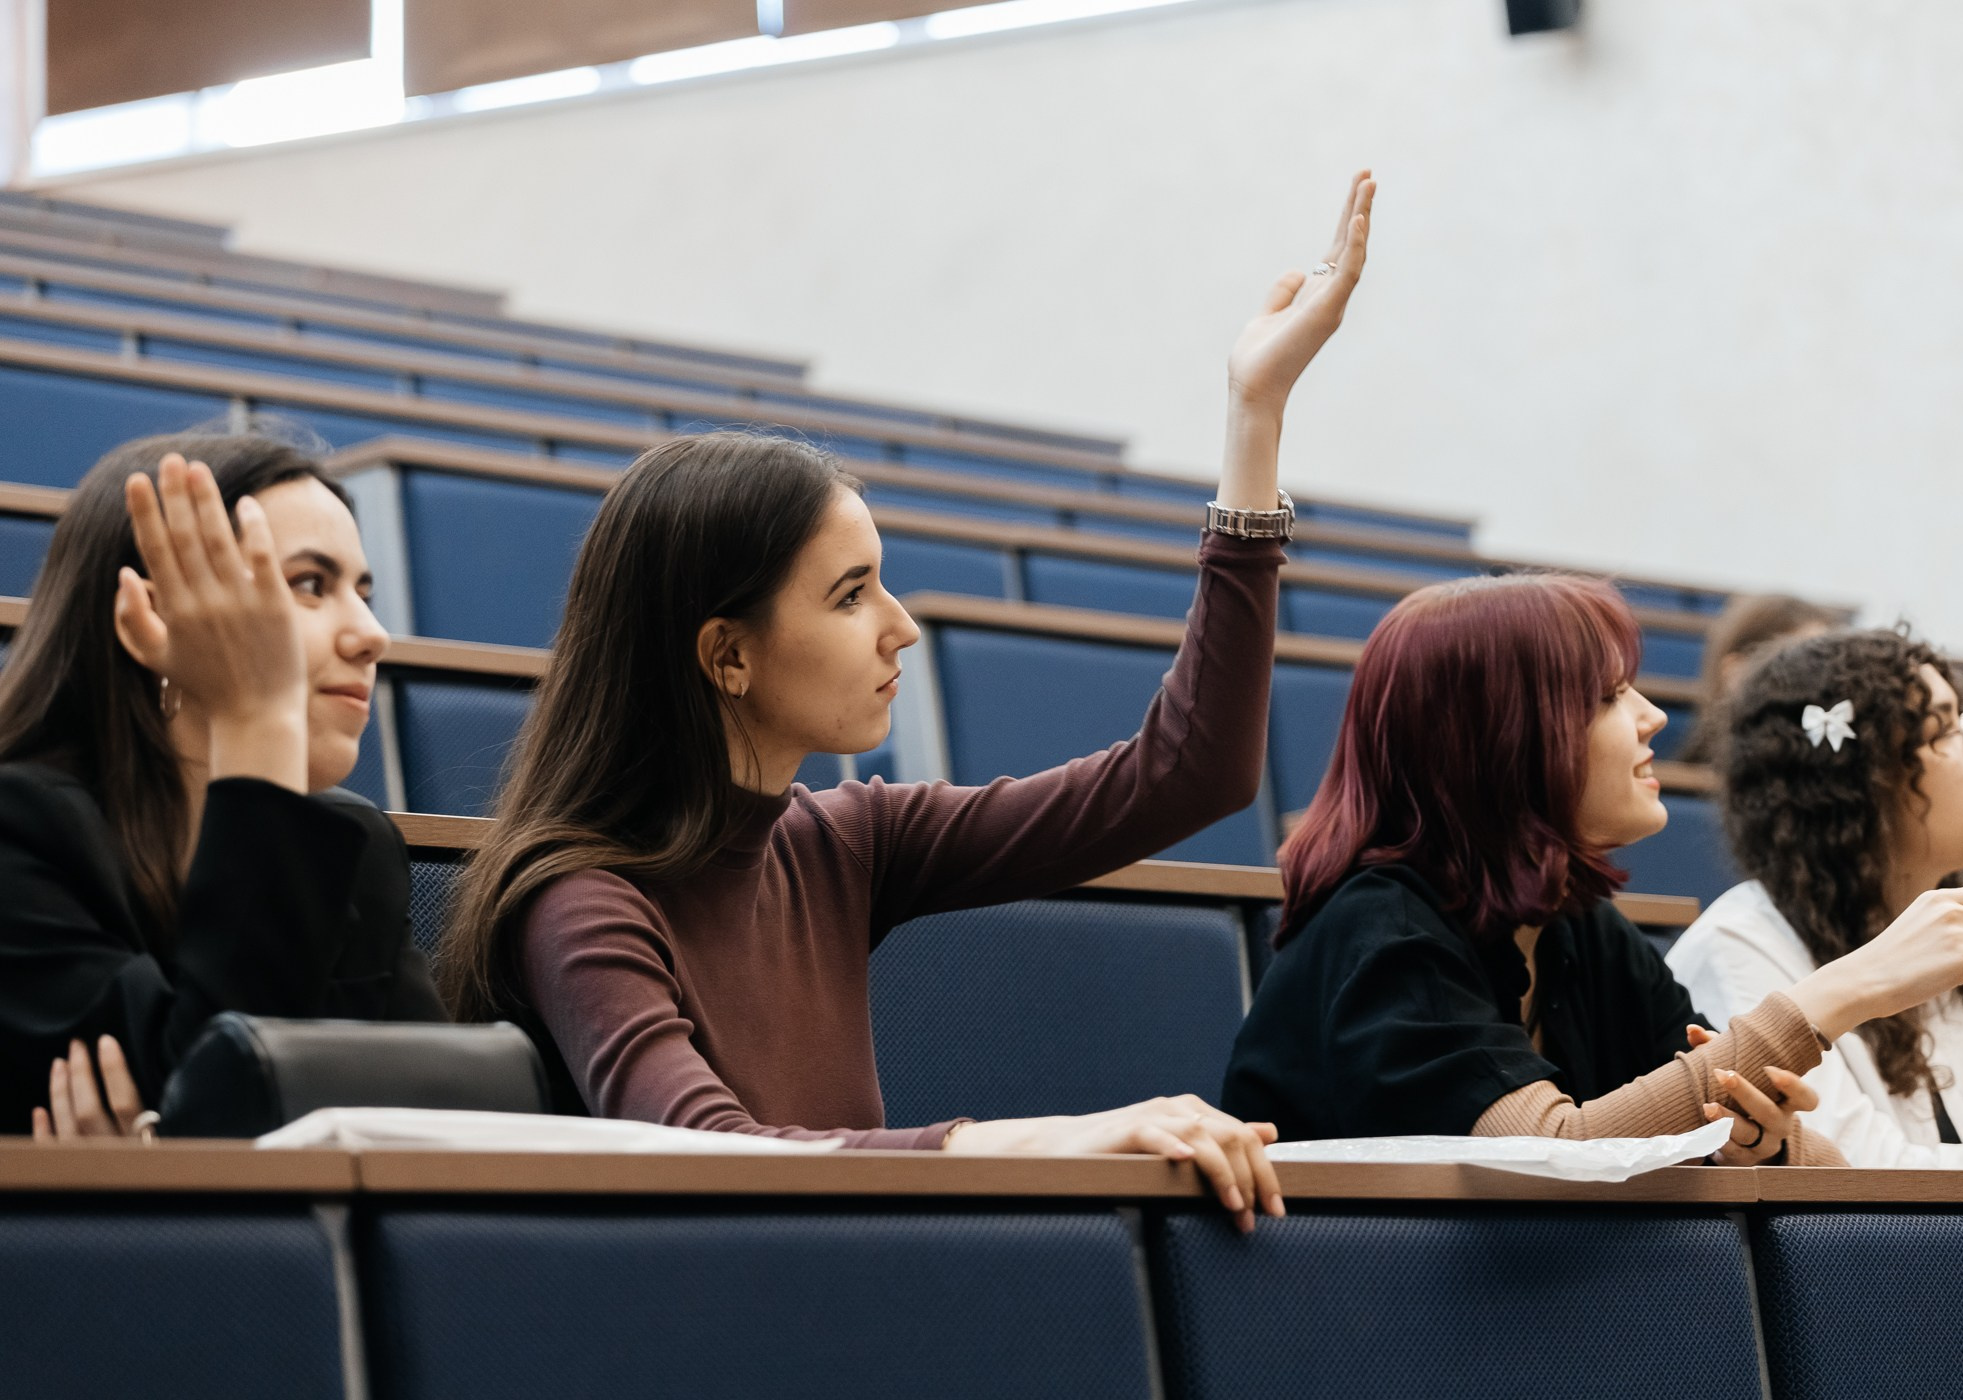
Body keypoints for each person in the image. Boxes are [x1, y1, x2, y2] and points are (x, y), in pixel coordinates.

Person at [438, 174, 1378, 1230]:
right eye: (850, 594)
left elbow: (1190, 773)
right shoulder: (581, 901)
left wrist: (1253, 418)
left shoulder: (845, 840)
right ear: (727, 653)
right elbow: (714, 1153)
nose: (902, 626)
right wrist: (1044, 1137)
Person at [1221, 573, 1963, 1165]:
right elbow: (1547, 1153)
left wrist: (1761, 1145)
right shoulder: (1382, 929)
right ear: (1508, 737)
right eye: (1610, 697)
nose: (1653, 719)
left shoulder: (1579, 931)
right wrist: (1848, 988)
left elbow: (1729, 1124)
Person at [0, 431, 446, 1140]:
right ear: (152, 618)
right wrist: (257, 715)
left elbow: (439, 1127)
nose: (370, 634)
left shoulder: (355, 845)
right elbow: (229, 1116)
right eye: (309, 585)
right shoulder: (18, 834)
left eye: (363, 592)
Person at [1667, 629, 1963, 1168]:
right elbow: (1867, 1180)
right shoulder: (1737, 945)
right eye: (1943, 731)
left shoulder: (1952, 933)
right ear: (1856, 779)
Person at [1675, 593, 1842, 765]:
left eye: (1826, 664)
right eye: (1799, 666)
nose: (1820, 681)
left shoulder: (1836, 759)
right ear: (1735, 672)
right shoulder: (1686, 781)